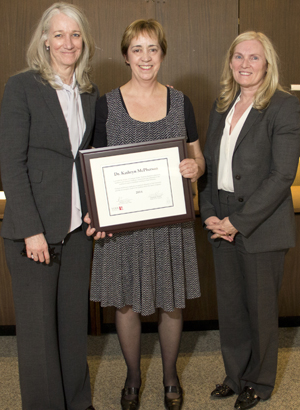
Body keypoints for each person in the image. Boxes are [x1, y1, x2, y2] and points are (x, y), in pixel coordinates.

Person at [84, 19, 205, 410]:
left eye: (152, 48)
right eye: (137, 49)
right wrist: (96, 215)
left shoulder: (180, 101)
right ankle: (133, 376)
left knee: (171, 303)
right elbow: (94, 169)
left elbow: (198, 156)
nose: (145, 57)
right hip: (124, 226)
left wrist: (195, 168)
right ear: (126, 56)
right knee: (126, 303)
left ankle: (170, 376)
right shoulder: (107, 104)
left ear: (162, 54)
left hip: (170, 223)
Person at [0, 3, 98, 410]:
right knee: (39, 335)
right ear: (45, 40)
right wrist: (30, 229)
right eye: (58, 34)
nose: (67, 42)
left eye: (75, 35)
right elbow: (11, 163)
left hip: (77, 232)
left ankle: (78, 402)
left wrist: (97, 208)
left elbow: (91, 159)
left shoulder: (91, 94)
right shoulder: (22, 87)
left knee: (73, 327)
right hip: (33, 233)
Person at [199, 31, 300, 410]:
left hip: (259, 224)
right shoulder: (222, 104)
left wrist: (238, 222)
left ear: (267, 64)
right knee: (232, 308)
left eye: (254, 57)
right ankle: (234, 375)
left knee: (259, 312)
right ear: (230, 62)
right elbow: (210, 164)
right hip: (220, 218)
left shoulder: (284, 107)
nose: (245, 64)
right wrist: (208, 212)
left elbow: (282, 176)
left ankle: (259, 381)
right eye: (238, 56)